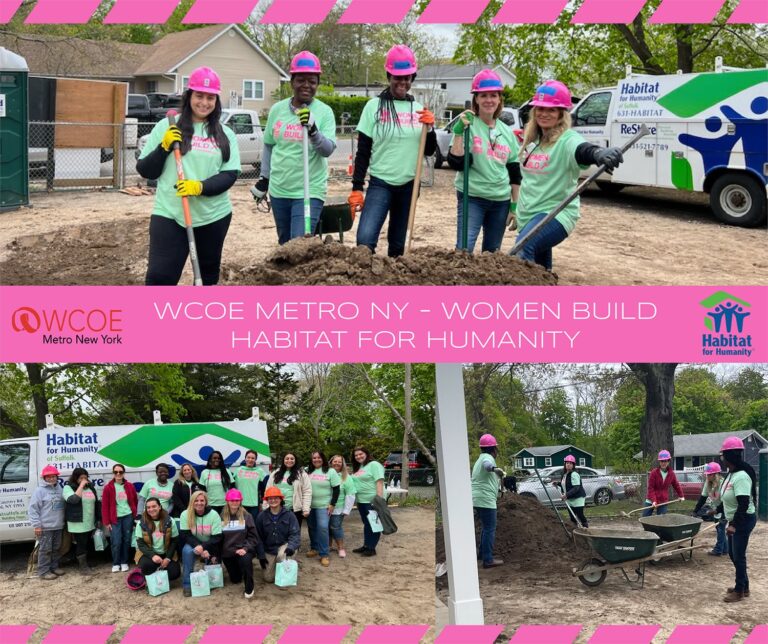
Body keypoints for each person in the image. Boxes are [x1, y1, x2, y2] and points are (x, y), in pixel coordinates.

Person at [137, 66, 241, 285]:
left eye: (210, 97)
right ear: (189, 96)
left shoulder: (225, 134)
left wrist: (199, 187)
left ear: (216, 100)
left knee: (206, 278)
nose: (204, 102)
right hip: (170, 213)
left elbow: (229, 175)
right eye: (199, 96)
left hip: (213, 216)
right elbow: (146, 170)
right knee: (159, 278)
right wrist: (163, 147)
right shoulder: (166, 127)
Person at [514, 80, 625, 270]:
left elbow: (582, 149)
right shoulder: (533, 141)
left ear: (561, 113)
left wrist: (598, 154)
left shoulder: (567, 139)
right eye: (540, 108)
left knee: (522, 250)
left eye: (551, 109)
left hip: (556, 214)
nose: (544, 113)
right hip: (530, 216)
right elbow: (530, 181)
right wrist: (517, 211)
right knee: (540, 272)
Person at [350, 44, 437, 257]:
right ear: (389, 76)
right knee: (365, 240)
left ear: (412, 78)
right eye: (398, 77)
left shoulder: (418, 109)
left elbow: (429, 151)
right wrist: (357, 188)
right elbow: (363, 152)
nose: (402, 82)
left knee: (398, 247)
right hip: (381, 184)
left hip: (409, 186)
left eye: (407, 77)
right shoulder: (374, 107)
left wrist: (431, 129)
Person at [253, 51, 336, 243]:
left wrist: (314, 131)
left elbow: (328, 150)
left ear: (317, 83)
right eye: (301, 80)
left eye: (312, 81)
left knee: (299, 244)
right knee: (284, 243)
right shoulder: (277, 110)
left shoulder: (324, 112)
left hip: (309, 190)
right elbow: (269, 146)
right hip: (280, 189)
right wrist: (264, 180)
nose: (306, 85)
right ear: (292, 81)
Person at [448, 69, 520, 253]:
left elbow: (514, 174)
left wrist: (514, 205)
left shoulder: (507, 133)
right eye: (484, 95)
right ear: (476, 99)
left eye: (493, 95)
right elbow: (456, 163)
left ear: (499, 99)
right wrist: (457, 133)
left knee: (492, 253)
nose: (489, 100)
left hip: (500, 201)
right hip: (472, 197)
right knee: (464, 250)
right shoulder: (468, 125)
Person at [716, 436, 757, 602]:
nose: (722, 459)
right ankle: (744, 586)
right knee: (734, 554)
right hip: (737, 521)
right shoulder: (731, 474)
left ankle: (739, 590)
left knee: (738, 555)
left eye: (723, 455)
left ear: (729, 456)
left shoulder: (741, 476)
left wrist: (733, 524)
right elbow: (727, 497)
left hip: (743, 520)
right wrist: (716, 510)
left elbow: (743, 504)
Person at [220, 489, 264, 599]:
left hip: (243, 550)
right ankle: (239, 569)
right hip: (228, 552)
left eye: (237, 500)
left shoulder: (247, 516)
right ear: (227, 501)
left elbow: (253, 536)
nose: (234, 502)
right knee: (235, 579)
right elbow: (218, 537)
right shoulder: (221, 517)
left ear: (240, 501)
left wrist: (245, 548)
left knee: (245, 560)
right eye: (232, 500)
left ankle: (249, 587)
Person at [179, 490, 222, 597]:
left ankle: (207, 583)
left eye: (202, 500)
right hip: (193, 542)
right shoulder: (185, 514)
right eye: (196, 500)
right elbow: (186, 534)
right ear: (192, 502)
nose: (199, 503)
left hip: (210, 543)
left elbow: (217, 537)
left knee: (213, 564)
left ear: (206, 502)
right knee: (187, 551)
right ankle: (187, 584)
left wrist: (204, 547)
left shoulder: (214, 514)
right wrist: (198, 546)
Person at [471, 434, 505, 568]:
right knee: (490, 528)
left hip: (477, 498)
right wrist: (495, 469)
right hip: (485, 500)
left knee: (486, 528)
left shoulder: (479, 458)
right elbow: (487, 465)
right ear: (493, 449)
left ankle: (482, 555)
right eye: (496, 448)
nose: (496, 451)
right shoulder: (487, 458)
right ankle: (488, 560)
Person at [255, 487, 301, 584]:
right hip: (269, 549)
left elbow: (295, 534)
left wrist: (291, 547)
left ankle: (287, 568)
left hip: (284, 546)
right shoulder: (261, 516)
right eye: (270, 498)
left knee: (282, 556)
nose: (273, 500)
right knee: (268, 578)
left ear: (281, 499)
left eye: (276, 498)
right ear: (267, 500)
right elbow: (258, 537)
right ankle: (275, 566)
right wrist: (261, 555)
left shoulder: (290, 515)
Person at [28, 465, 66, 580]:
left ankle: (54, 567)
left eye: (53, 476)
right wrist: (37, 526)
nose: (51, 478)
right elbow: (33, 509)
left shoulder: (59, 489)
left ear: (57, 477)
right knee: (45, 549)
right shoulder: (40, 491)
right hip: (45, 527)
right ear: (44, 478)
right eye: (48, 477)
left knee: (56, 548)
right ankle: (43, 571)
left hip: (58, 525)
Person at [133, 497, 181, 584]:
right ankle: (152, 574)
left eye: (154, 506)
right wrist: (153, 556)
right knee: (147, 566)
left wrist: (168, 558)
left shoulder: (170, 521)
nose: (151, 509)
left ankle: (158, 575)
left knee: (175, 573)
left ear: (160, 507)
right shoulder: (141, 523)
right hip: (148, 554)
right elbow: (141, 544)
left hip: (165, 553)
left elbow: (174, 541)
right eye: (148, 507)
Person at [62, 467, 100, 575]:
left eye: (85, 477)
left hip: (89, 521)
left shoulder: (90, 487)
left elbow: (95, 503)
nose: (83, 479)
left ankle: (86, 563)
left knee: (87, 543)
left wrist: (98, 518)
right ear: (75, 478)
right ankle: (83, 567)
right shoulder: (68, 488)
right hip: (77, 522)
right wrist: (81, 486)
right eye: (80, 478)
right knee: (81, 544)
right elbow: (73, 500)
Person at [305, 450, 341, 567]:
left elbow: (336, 489)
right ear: (311, 460)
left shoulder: (330, 471)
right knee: (311, 527)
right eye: (314, 458)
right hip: (309, 505)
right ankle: (314, 548)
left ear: (323, 459)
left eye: (319, 457)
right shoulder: (307, 471)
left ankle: (324, 554)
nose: (316, 460)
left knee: (323, 528)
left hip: (324, 506)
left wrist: (332, 504)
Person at [101, 463, 138, 572]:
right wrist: (107, 522)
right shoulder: (108, 487)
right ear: (113, 473)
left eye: (120, 472)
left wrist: (135, 516)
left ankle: (124, 562)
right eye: (116, 472)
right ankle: (116, 563)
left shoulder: (130, 486)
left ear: (123, 473)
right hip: (115, 519)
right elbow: (104, 506)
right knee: (116, 541)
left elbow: (134, 501)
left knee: (127, 540)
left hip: (128, 516)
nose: (118, 474)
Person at [262, 452, 312, 530]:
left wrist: (306, 509)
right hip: (277, 508)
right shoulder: (275, 473)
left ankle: (293, 543)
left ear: (295, 460)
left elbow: (307, 491)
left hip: (294, 509)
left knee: (294, 531)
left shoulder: (301, 474)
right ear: (283, 460)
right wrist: (265, 506)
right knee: (278, 531)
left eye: (292, 459)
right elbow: (268, 490)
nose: (289, 460)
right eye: (287, 458)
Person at [350, 446, 385, 557]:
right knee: (367, 524)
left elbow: (379, 482)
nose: (358, 456)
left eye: (360, 454)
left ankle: (371, 548)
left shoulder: (374, 465)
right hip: (361, 501)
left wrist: (378, 500)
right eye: (356, 455)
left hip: (372, 500)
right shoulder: (360, 467)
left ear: (366, 454)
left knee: (374, 524)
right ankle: (366, 545)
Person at [693, 462, 727, 556]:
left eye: (709, 474)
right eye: (707, 474)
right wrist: (695, 511)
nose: (707, 476)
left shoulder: (723, 484)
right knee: (719, 528)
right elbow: (702, 498)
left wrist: (716, 511)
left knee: (720, 528)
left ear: (715, 474)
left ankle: (718, 550)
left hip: (725, 508)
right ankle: (725, 549)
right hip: (715, 508)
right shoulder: (708, 483)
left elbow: (726, 501)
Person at [329, 454, 355, 558]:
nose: (337, 463)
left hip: (338, 507)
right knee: (326, 528)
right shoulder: (326, 474)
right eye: (335, 461)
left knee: (335, 527)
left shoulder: (346, 477)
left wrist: (347, 509)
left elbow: (350, 493)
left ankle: (341, 548)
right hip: (324, 506)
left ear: (342, 464)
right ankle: (328, 546)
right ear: (331, 462)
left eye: (339, 462)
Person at [643, 449, 684, 516]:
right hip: (651, 499)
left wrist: (681, 495)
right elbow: (651, 488)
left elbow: (676, 485)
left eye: (665, 461)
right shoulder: (654, 473)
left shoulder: (671, 474)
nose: (663, 463)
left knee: (662, 520)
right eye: (662, 461)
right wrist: (654, 501)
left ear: (668, 461)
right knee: (645, 518)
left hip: (663, 500)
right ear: (659, 462)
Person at [555, 455, 588, 528]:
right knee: (572, 517)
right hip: (569, 498)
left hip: (578, 498)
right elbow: (566, 484)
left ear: (573, 465)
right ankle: (575, 530)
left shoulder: (574, 474)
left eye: (570, 463)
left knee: (580, 514)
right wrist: (557, 483)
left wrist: (566, 495)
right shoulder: (564, 474)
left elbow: (576, 487)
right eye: (567, 463)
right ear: (565, 464)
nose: (568, 464)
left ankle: (586, 529)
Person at [199, 450, 234, 514]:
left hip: (225, 505)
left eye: (219, 458)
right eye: (214, 458)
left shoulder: (227, 471)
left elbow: (232, 488)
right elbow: (202, 490)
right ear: (210, 460)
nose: (217, 460)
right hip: (210, 505)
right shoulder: (204, 472)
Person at [234, 450, 263, 523]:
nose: (250, 460)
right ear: (245, 458)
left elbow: (265, 485)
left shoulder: (259, 471)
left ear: (255, 460)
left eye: (253, 458)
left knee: (252, 524)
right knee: (241, 524)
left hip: (254, 504)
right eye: (248, 457)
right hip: (240, 503)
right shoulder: (238, 470)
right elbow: (231, 484)